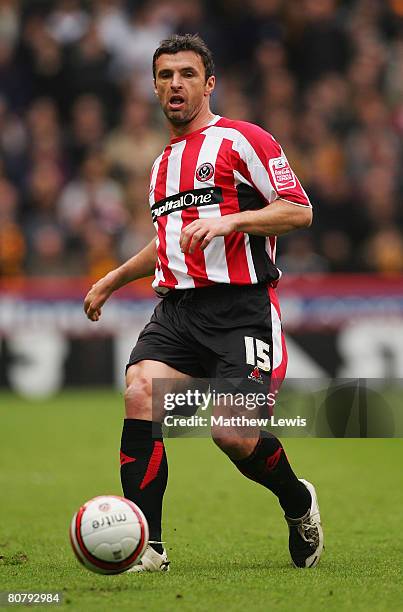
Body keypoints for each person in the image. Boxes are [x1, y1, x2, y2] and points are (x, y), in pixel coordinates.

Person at [84, 34, 324, 572]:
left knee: (232, 433)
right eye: (166, 74)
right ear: (153, 85)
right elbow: (169, 241)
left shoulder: (244, 140)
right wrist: (114, 278)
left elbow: (299, 210)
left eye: (188, 74)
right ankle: (150, 546)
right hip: (177, 311)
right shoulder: (161, 165)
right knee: (140, 390)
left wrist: (233, 220)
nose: (176, 83)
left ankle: (298, 502)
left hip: (242, 310)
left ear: (209, 83)